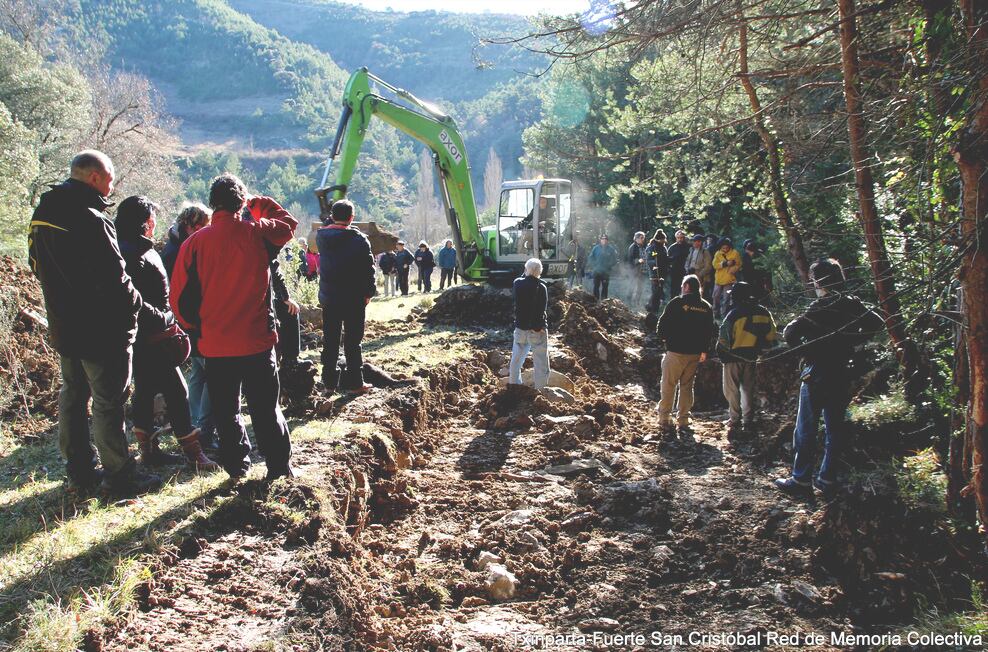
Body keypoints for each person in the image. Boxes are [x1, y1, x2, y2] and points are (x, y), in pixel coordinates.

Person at [28, 150, 161, 495]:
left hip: (64, 325)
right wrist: (136, 307)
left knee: (72, 397)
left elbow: (34, 265)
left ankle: (79, 471)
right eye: (110, 179)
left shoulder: (43, 213)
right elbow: (116, 279)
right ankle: (120, 475)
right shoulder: (91, 217)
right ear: (95, 177)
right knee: (108, 402)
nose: (112, 187)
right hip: (102, 330)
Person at [170, 174, 298, 481]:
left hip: (215, 345)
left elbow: (177, 299)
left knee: (227, 413)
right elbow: (288, 224)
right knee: (266, 410)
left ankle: (237, 468)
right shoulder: (259, 233)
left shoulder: (194, 244)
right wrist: (255, 203)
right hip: (257, 342)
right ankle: (279, 468)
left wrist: (196, 330)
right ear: (241, 202)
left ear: (212, 203)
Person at [115, 196, 218, 471]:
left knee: (146, 391)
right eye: (152, 219)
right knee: (177, 391)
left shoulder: (136, 248)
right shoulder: (129, 252)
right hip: (151, 336)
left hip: (152, 334)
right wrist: (165, 317)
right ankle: (194, 453)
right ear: (146, 223)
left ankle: (149, 452)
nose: (155, 224)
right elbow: (132, 298)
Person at [774, 259, 884, 496]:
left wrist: (807, 350)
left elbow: (790, 331)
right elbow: (878, 322)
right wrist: (853, 341)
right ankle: (827, 478)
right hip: (842, 370)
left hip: (816, 372)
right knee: (835, 428)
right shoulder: (852, 304)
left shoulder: (820, 306)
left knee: (806, 428)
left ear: (818, 281)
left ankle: (801, 479)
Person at [161, 203, 217, 453]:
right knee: (214, 376)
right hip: (194, 322)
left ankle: (195, 423)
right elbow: (189, 290)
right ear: (192, 226)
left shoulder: (174, 244)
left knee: (198, 373)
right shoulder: (182, 250)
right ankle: (205, 431)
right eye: (205, 226)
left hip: (185, 322)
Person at [316, 200, 376, 395]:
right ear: (352, 217)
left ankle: (329, 383)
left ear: (332, 216)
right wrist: (369, 293)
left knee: (330, 340)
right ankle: (355, 382)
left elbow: (328, 226)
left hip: (330, 298)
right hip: (354, 298)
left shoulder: (321, 238)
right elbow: (369, 269)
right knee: (353, 341)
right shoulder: (359, 240)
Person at [656, 275, 717, 437]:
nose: (682, 288)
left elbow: (661, 326)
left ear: (687, 287)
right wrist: (704, 350)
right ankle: (683, 419)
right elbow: (710, 331)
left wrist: (665, 339)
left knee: (668, 385)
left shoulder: (676, 303)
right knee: (687, 386)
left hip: (675, 351)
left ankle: (664, 418)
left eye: (683, 285)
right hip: (695, 354)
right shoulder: (706, 307)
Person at [716, 282, 777, 435]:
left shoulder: (733, 314)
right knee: (748, 389)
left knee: (731, 390)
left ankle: (735, 419)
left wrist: (722, 354)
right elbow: (771, 335)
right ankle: (748, 420)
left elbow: (723, 338)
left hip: (733, 357)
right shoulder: (763, 312)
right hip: (752, 357)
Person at [508, 258, 550, 389]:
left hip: (521, 328)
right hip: (536, 330)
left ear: (526, 269)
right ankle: (541, 391)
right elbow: (542, 308)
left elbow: (520, 281)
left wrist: (526, 272)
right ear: (540, 272)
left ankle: (514, 386)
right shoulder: (542, 287)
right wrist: (543, 326)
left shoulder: (517, 283)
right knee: (541, 361)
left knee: (516, 360)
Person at [162, 202, 211, 277]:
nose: (202, 234)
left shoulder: (176, 242)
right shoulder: (176, 252)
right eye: (200, 228)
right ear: (189, 226)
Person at [711, 237, 742, 319]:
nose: (725, 249)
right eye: (723, 248)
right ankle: (715, 314)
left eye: (726, 247)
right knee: (715, 297)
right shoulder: (717, 254)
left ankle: (725, 316)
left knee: (726, 299)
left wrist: (734, 269)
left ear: (730, 246)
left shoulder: (735, 253)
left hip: (729, 280)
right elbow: (714, 265)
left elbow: (739, 264)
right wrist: (725, 264)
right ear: (720, 247)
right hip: (718, 279)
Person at [645, 230, 669, 318]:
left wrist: (669, 260)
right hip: (654, 273)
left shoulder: (664, 248)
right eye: (662, 239)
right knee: (656, 291)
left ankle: (654, 307)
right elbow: (649, 260)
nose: (664, 241)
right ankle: (652, 308)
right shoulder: (651, 248)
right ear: (658, 239)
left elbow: (666, 258)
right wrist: (655, 263)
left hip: (663, 273)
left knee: (659, 291)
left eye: (664, 239)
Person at [587, 234, 618, 300]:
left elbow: (614, 260)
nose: (604, 240)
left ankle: (604, 302)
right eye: (602, 239)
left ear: (607, 240)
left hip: (606, 272)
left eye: (605, 239)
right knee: (596, 287)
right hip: (596, 271)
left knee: (605, 287)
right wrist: (594, 264)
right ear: (600, 240)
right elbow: (590, 258)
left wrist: (609, 265)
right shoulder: (596, 248)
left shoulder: (611, 249)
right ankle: (595, 301)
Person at [685, 233, 714, 299]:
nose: (694, 243)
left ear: (700, 242)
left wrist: (700, 274)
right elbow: (687, 262)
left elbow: (708, 266)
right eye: (694, 241)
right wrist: (687, 269)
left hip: (702, 278)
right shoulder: (691, 250)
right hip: (690, 274)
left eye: (697, 241)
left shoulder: (705, 252)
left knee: (702, 295)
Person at [627, 231, 648, 308]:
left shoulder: (644, 246)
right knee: (632, 287)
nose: (643, 239)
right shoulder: (633, 247)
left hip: (643, 271)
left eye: (643, 238)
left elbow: (650, 255)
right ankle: (628, 303)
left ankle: (637, 302)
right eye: (641, 238)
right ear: (636, 239)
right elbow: (630, 260)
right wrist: (638, 261)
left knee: (640, 288)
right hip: (634, 271)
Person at [666, 230, 690, 298]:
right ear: (676, 238)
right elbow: (667, 259)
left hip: (685, 270)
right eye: (678, 237)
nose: (680, 239)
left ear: (684, 238)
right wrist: (669, 268)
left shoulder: (688, 246)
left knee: (685, 287)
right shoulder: (672, 247)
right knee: (674, 288)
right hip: (674, 271)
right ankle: (673, 302)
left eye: (681, 237)